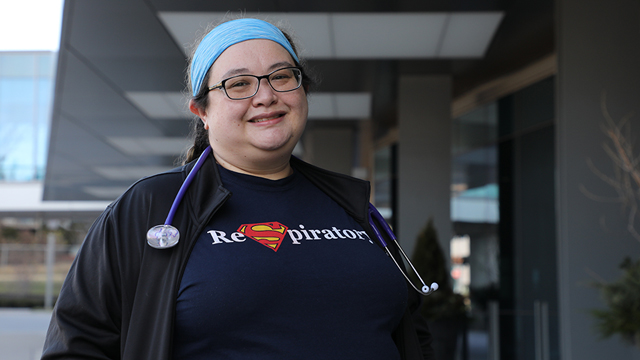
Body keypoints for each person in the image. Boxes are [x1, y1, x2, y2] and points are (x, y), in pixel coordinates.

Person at [41, 17, 434, 360]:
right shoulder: (148, 210)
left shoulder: (351, 205)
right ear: (203, 112)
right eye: (238, 84)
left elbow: (413, 335)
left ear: (302, 90)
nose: (266, 96)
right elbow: (78, 347)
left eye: (282, 76)